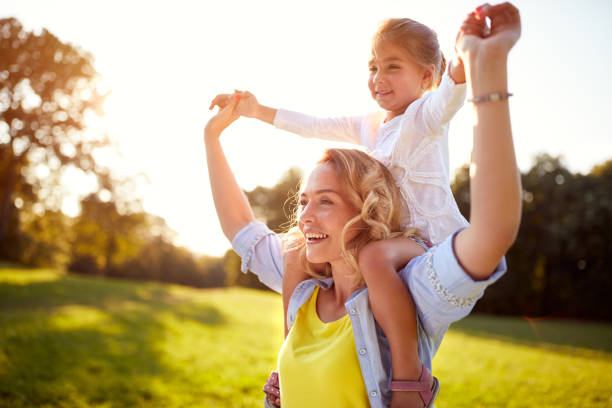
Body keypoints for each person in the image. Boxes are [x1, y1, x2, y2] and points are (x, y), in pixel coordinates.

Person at [204, 2, 521, 407]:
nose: (378, 78)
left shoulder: (423, 115)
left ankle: (408, 378)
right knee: (297, 249)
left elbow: (450, 97)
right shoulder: (369, 126)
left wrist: (468, 61)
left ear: (426, 75)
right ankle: (285, 361)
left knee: (371, 257)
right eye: (373, 67)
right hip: (382, 242)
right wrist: (253, 112)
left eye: (392, 67)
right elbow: (314, 126)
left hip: (425, 245)